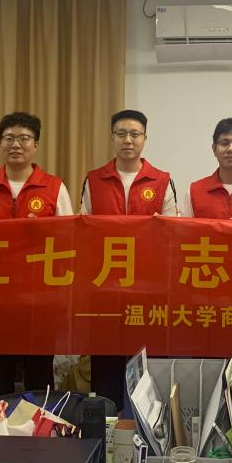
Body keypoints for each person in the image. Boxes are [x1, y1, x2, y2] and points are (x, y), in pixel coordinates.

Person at [0, 111, 73, 398]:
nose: (16, 144)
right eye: (9, 138)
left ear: (36, 145)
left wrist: (44, 231)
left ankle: (42, 423)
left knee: (39, 372)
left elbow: (69, 239)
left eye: (24, 138)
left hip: (40, 297)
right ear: (0, 143)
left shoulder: (54, 187)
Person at [81, 110, 176, 406]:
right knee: (105, 371)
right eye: (121, 134)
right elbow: (83, 231)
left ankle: (151, 425)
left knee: (149, 369)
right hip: (105, 287)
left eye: (135, 134)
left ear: (145, 139)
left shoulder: (162, 180)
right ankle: (105, 425)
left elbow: (173, 232)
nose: (128, 140)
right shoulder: (94, 179)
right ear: (112, 138)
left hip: (149, 289)